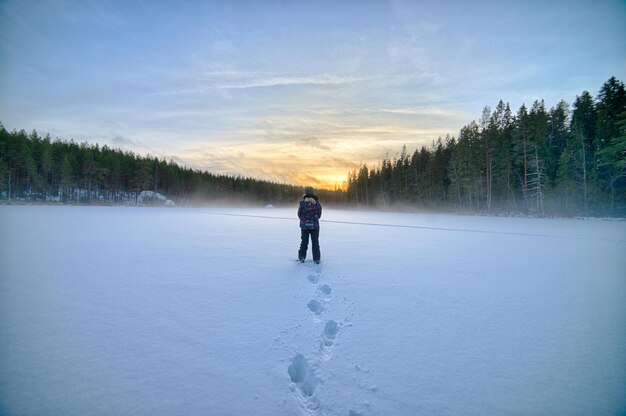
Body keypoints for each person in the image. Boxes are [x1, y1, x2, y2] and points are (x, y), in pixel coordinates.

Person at [298, 186, 322, 263]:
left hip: (304, 226)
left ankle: (301, 257)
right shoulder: (317, 203)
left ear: (305, 193)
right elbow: (319, 215)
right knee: (315, 242)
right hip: (315, 226)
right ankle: (316, 259)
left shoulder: (302, 203)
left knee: (304, 242)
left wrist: (304, 220)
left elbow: (299, 214)